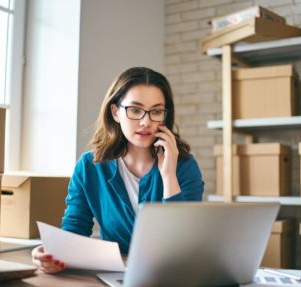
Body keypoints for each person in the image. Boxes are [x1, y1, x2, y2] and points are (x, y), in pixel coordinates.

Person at [32, 67, 204, 273]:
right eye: (135, 110)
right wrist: (54, 253)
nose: (146, 121)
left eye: (156, 111)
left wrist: (168, 176)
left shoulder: (184, 165)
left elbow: (183, 243)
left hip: (172, 274)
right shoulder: (89, 167)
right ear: (115, 112)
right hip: (116, 276)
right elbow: (75, 228)